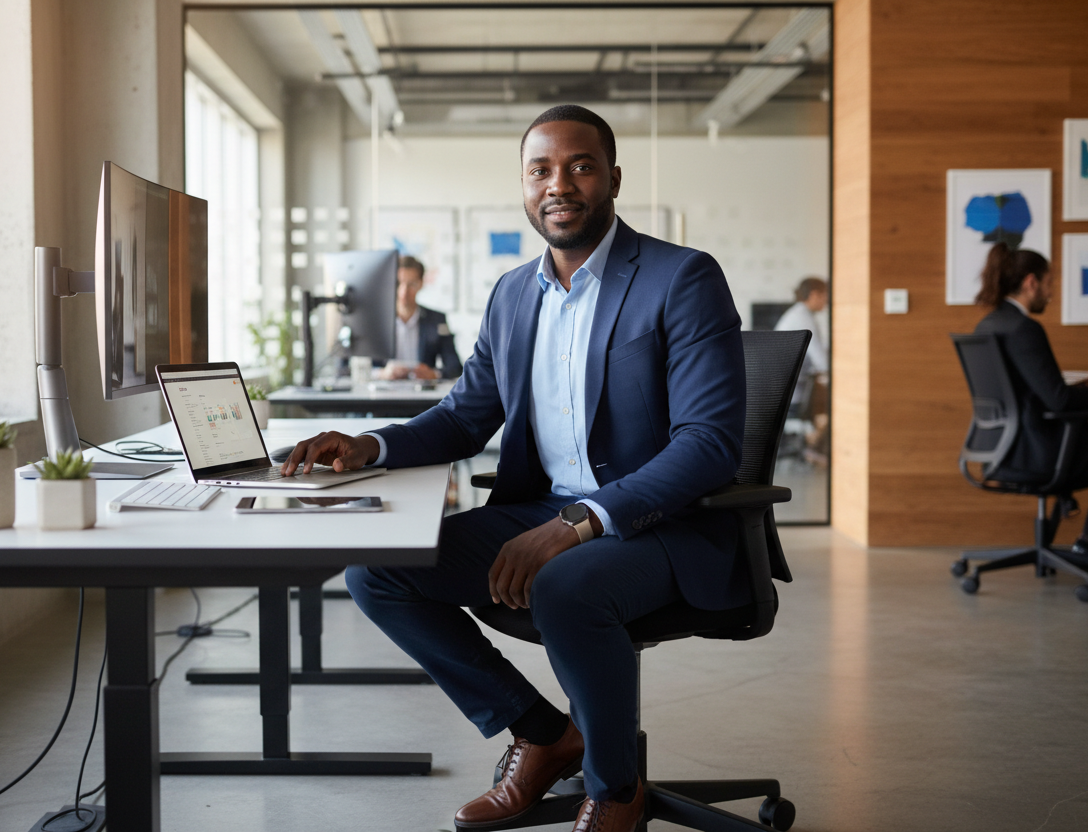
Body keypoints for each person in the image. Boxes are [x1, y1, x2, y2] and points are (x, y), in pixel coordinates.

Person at [282, 105, 747, 832]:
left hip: (662, 524)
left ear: (613, 179)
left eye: (580, 166)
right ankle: (541, 733)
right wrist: (370, 446)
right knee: (379, 571)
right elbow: (466, 418)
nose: (559, 184)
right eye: (541, 170)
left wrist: (579, 522)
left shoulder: (680, 278)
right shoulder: (511, 295)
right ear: (526, 188)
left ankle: (615, 787)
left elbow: (709, 443)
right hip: (545, 510)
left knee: (565, 583)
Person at [973, 242, 1088, 569]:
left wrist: (1079, 389)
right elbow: (1058, 400)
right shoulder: (1024, 329)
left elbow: (1035, 392)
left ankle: (1085, 546)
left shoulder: (988, 325)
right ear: (1031, 282)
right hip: (1038, 449)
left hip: (1002, 446)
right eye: (1049, 284)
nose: (1051, 293)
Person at [378, 254, 463, 380]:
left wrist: (434, 374)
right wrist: (382, 373)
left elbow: (455, 367)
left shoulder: (437, 320)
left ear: (421, 284)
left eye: (411, 284)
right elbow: (346, 368)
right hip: (381, 395)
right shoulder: (376, 320)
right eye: (398, 283)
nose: (404, 292)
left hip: (422, 394)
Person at [774, 276, 829, 418]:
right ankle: (808, 435)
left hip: (786, 389)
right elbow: (822, 362)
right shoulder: (803, 318)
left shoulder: (799, 313)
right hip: (791, 395)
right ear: (814, 294)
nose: (827, 300)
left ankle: (810, 434)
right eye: (825, 295)